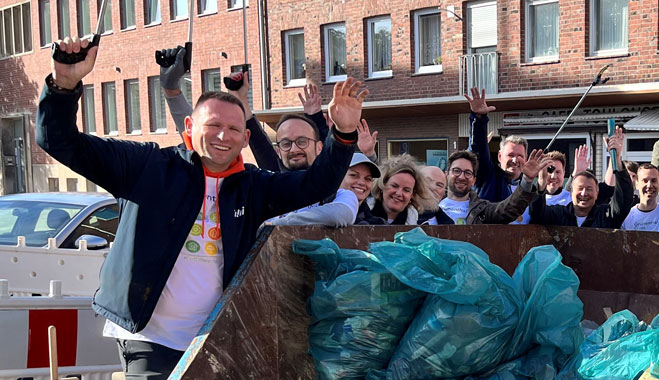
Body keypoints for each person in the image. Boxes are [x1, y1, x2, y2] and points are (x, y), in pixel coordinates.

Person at [41, 37, 363, 379]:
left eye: (233, 129)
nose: (223, 136)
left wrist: (342, 133)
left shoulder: (253, 186)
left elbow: (317, 184)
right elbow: (59, 141)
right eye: (213, 126)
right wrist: (63, 86)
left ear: (245, 138)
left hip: (217, 333)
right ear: (190, 129)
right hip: (148, 336)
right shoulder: (147, 166)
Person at [261, 115, 367, 227]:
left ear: (319, 147)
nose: (294, 149)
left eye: (302, 142)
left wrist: (274, 224)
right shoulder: (266, 193)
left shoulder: (341, 194)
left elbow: (336, 215)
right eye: (286, 144)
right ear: (278, 151)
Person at [530, 129, 634, 228]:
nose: (584, 193)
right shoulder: (557, 214)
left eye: (589, 189)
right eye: (580, 188)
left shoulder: (607, 215)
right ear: (571, 192)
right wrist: (541, 183)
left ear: (597, 193)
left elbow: (624, 198)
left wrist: (617, 158)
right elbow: (537, 213)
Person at [437, 150, 544, 225]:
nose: (461, 177)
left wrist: (527, 180)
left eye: (468, 173)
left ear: (474, 180)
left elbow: (510, 208)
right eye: (456, 171)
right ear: (447, 174)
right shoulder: (431, 206)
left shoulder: (483, 211)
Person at [356, 156, 439, 225]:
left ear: (412, 195)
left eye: (406, 190)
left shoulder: (419, 221)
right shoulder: (360, 212)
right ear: (382, 185)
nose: (399, 193)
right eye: (394, 186)